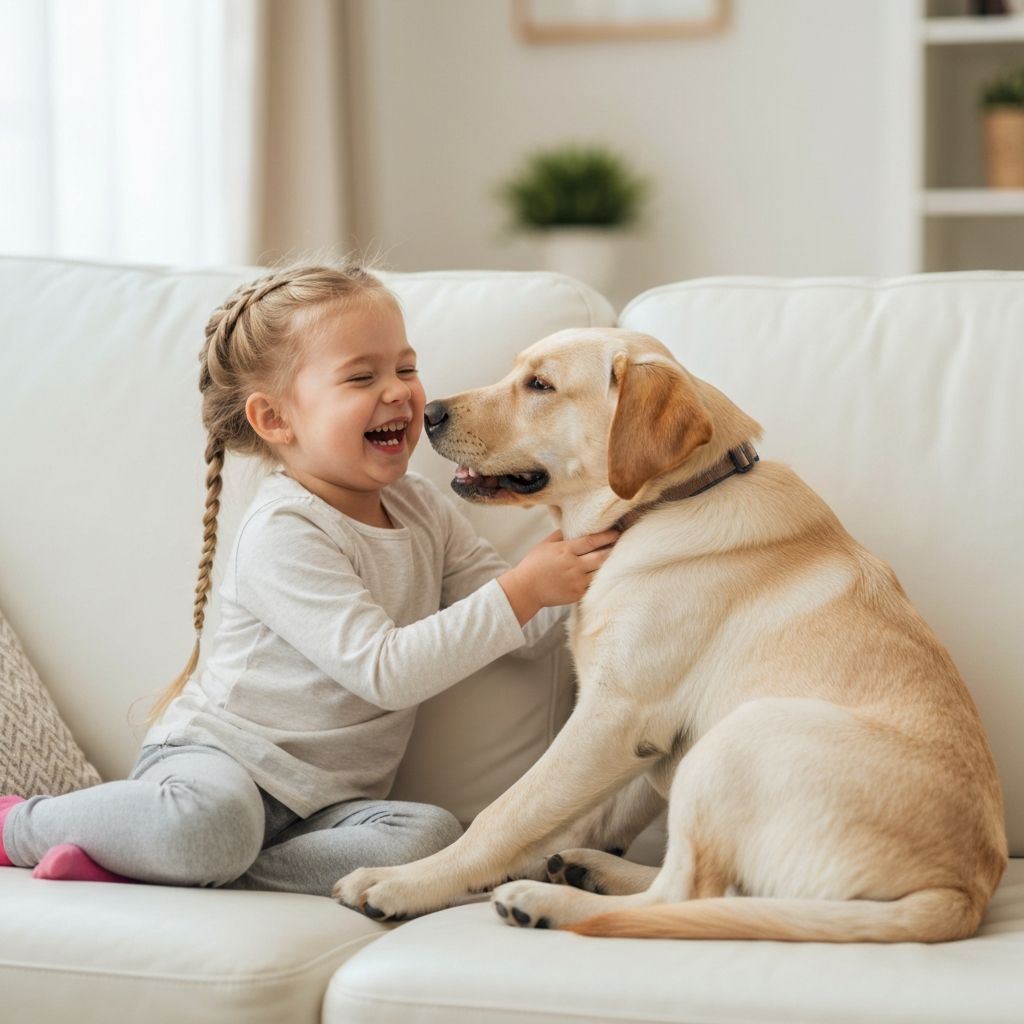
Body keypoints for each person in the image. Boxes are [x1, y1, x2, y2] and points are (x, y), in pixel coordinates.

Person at [0, 264, 617, 897]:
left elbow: (531, 633)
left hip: (323, 812)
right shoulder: (285, 529)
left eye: (405, 368)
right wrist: (525, 588)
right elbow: (387, 670)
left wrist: (588, 558)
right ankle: (19, 825)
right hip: (217, 769)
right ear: (274, 419)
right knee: (212, 821)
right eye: (361, 377)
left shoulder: (423, 508)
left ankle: (176, 862)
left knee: (429, 836)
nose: (400, 392)